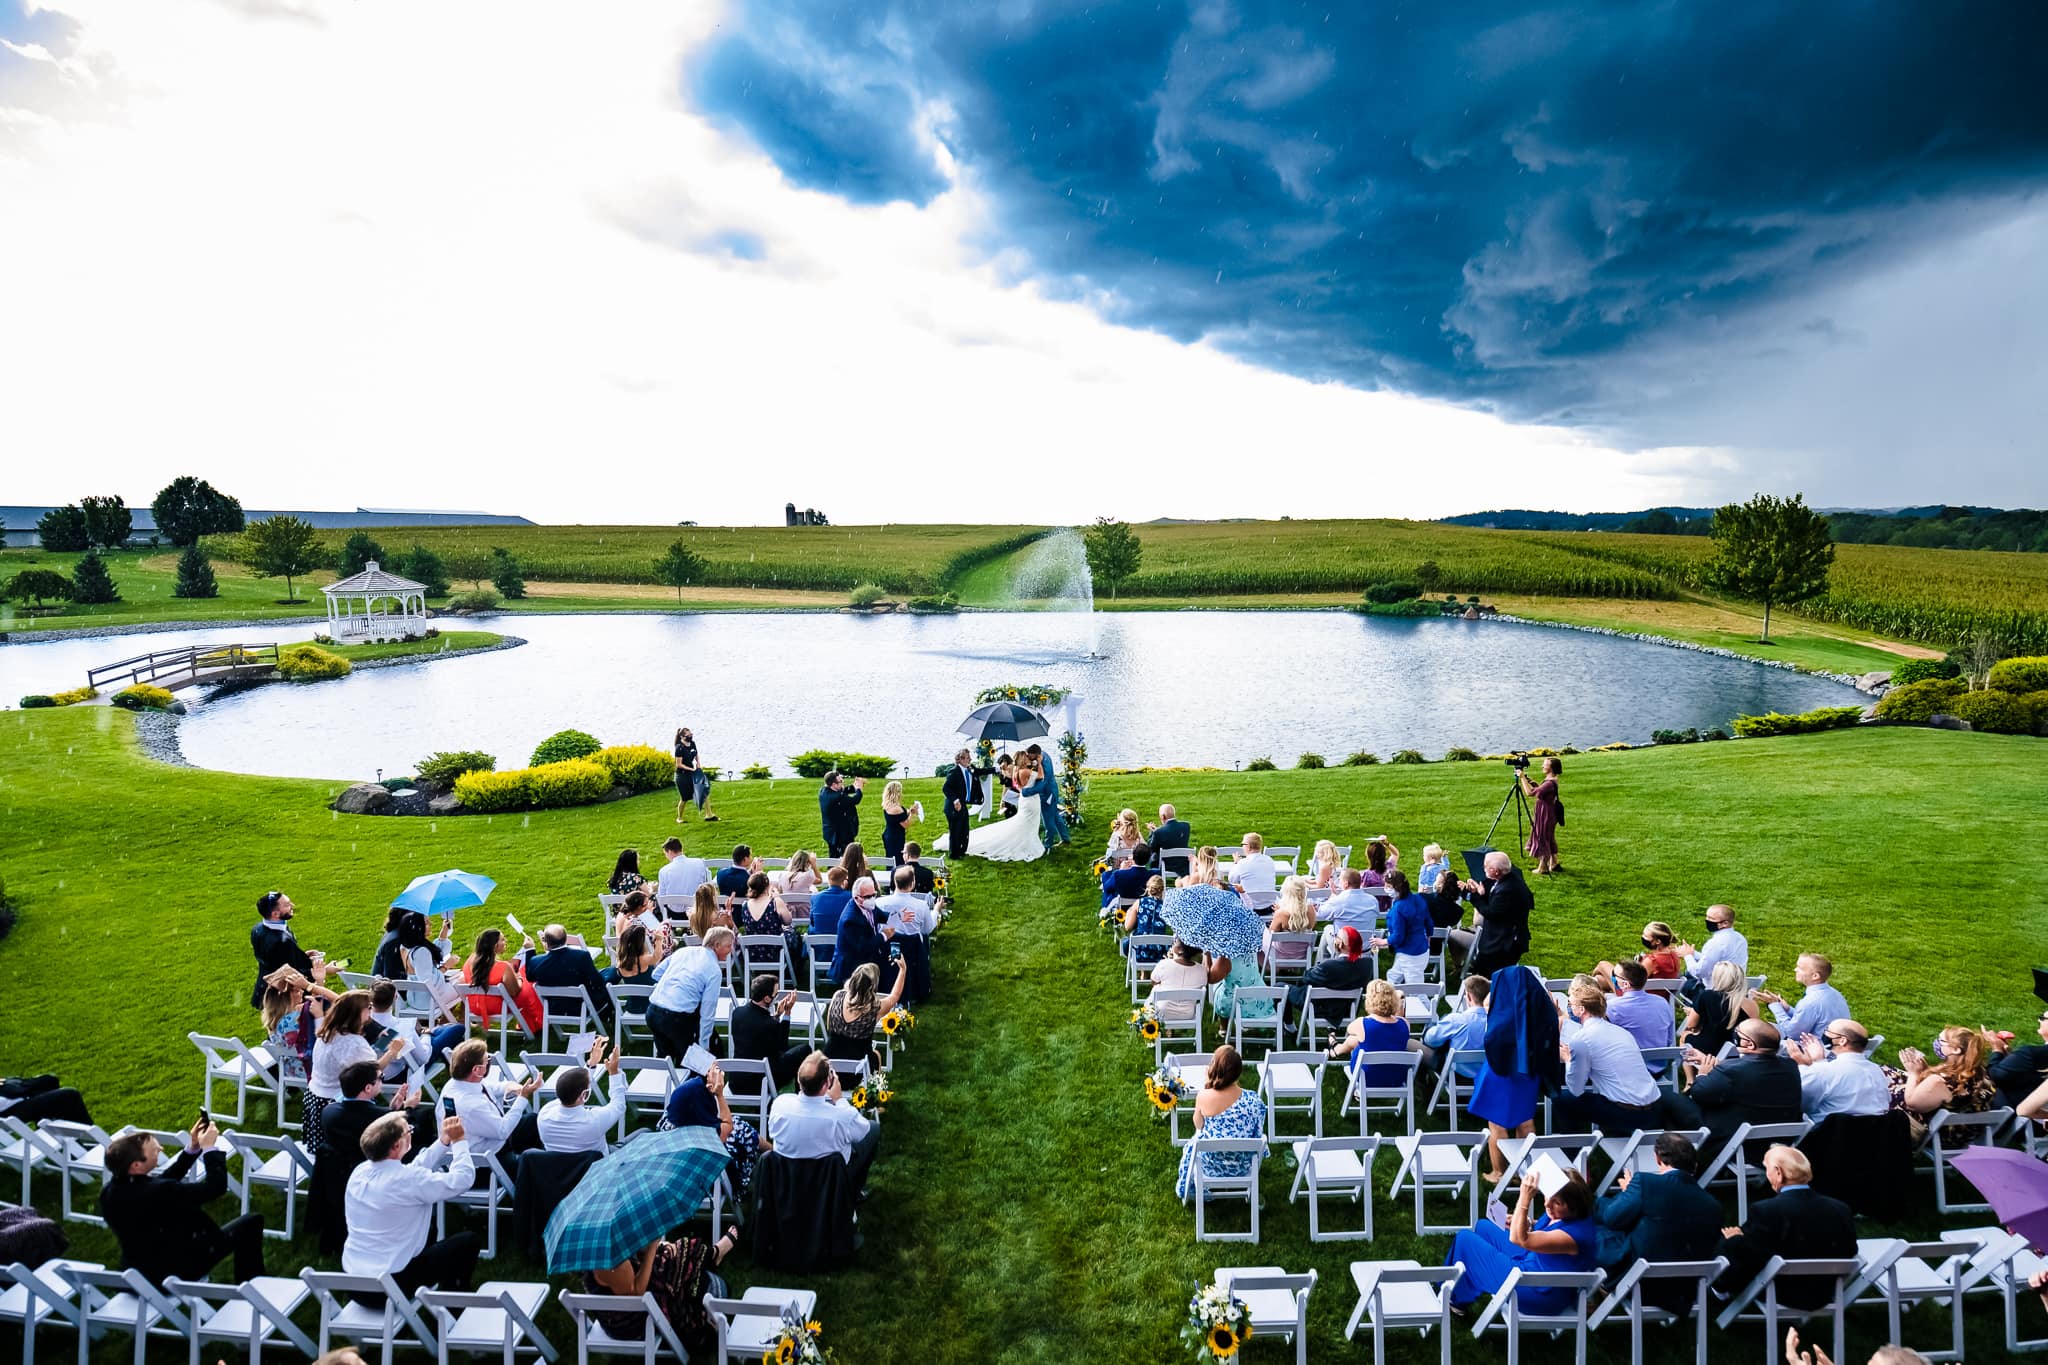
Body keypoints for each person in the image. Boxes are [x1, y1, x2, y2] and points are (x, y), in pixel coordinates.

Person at [101, 1118, 264, 1287]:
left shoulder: (109, 1192)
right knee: (252, 1223)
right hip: (178, 1270)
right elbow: (215, 1187)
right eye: (155, 1151)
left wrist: (193, 1149)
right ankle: (252, 1291)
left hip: (139, 1272)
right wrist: (209, 1149)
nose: (161, 1149)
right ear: (136, 1165)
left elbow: (158, 1183)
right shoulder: (163, 1191)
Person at [342, 1110, 482, 1292]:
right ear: (396, 1146)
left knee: (430, 1229)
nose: (411, 1133)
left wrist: (442, 1142)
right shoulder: (408, 1180)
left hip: (352, 1280)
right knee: (469, 1241)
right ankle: (452, 1304)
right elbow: (463, 1179)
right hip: (391, 1285)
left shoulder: (360, 1172)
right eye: (408, 1131)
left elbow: (410, 1170)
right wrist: (459, 1141)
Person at [1715, 1145, 1856, 1306]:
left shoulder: (1766, 1210)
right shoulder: (1841, 1208)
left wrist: (1736, 1239)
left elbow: (1753, 1256)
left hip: (1780, 1291)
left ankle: (1721, 1288)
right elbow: (1851, 1250)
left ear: (1778, 1173)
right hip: (1824, 1292)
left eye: (1766, 1168)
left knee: (1727, 1241)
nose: (1767, 1175)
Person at [1446, 1166, 1598, 1313]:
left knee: (1465, 1240)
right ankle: (1459, 1295)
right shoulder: (1565, 1215)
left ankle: (1450, 1295)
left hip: (1537, 1290)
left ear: (1575, 1206)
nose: (1547, 1204)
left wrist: (1524, 1198)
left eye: (1557, 1202)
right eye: (1548, 1195)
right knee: (1483, 1227)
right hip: (1532, 1263)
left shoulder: (1572, 1237)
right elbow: (1545, 1230)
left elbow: (1518, 1239)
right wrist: (1527, 1223)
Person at [314, 1062, 427, 1254]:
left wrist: (393, 1109)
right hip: (371, 1168)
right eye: (380, 1079)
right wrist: (408, 1110)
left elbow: (367, 1117)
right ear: (368, 1088)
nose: (382, 1081)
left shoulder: (329, 1111)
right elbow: (401, 1128)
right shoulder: (378, 1118)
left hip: (335, 1172)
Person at [586, 1229, 738, 1361]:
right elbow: (636, 1292)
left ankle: (710, 1256)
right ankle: (712, 1255)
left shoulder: (597, 1249)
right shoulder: (609, 1263)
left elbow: (634, 1267)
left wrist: (658, 1247)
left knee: (672, 1257)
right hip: (633, 1321)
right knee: (678, 1258)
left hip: (621, 1313)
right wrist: (653, 1247)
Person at [1471, 965, 1562, 1181]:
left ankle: (1499, 1172)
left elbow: (1491, 1041)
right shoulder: (1538, 1012)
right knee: (1526, 1120)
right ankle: (1525, 1170)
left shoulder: (1502, 1015)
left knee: (1497, 1124)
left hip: (1500, 1071)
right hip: (1528, 1070)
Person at [1593, 1133, 1722, 1282]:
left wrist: (1626, 1194)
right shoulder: (1714, 1207)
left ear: (1657, 1158)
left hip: (1635, 1279)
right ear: (1695, 1166)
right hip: (1684, 1288)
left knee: (1586, 1229)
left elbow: (1611, 1218)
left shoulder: (1646, 1182)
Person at [1552, 975, 1663, 1135]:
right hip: (1654, 1108)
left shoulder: (1581, 1038)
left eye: (1570, 1003)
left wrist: (1568, 1060)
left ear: (1581, 1009)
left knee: (1563, 1099)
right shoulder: (1621, 1032)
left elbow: (1575, 1089)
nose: (1569, 1006)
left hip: (1628, 1113)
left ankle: (1572, 1153)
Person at [1673, 1019, 1805, 1145]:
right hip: (1780, 1141)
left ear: (1749, 1044)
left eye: (1738, 1032)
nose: (1735, 1034)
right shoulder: (1790, 1066)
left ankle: (1673, 1150)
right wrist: (1712, 1063)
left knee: (1669, 1099)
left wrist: (1702, 1073)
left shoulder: (1732, 1071)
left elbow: (1699, 1093)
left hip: (1740, 1142)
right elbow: (1750, 1075)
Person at [307, 991, 410, 1149]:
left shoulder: (328, 1030)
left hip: (316, 1094)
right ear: (356, 1013)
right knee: (352, 1146)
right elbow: (372, 1071)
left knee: (330, 1149)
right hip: (339, 1101)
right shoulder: (353, 1043)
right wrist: (392, 1052)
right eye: (368, 1007)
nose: (370, 1011)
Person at [768, 1052, 881, 1193]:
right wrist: (839, 1100)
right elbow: (863, 1131)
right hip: (830, 1179)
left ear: (799, 1080)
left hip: (789, 1178)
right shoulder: (842, 1116)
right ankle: (854, 1192)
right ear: (827, 1084)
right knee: (874, 1129)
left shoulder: (780, 1105)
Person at [1173, 1045, 1266, 1203]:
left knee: (1195, 1141)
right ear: (1238, 1073)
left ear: (1215, 1069)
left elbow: (1198, 1125)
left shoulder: (1204, 1096)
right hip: (1242, 1166)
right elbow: (1257, 1130)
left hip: (1210, 1166)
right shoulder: (1253, 1099)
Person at [660, 1067, 767, 1199]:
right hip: (710, 1183)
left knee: (738, 1128)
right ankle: (777, 1154)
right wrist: (720, 1095)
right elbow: (728, 1126)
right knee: (742, 1129)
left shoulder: (667, 1128)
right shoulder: (711, 1138)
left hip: (679, 1184)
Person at [1887, 1027, 2000, 1135]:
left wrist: (1914, 1074)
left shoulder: (1941, 1081)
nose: (1937, 1042)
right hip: (1966, 1134)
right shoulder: (1980, 1073)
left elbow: (1912, 1104)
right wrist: (1926, 1071)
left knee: (1887, 1083)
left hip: (1937, 1134)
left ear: (1956, 1050)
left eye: (1941, 1041)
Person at [646, 927, 735, 1061]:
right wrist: (704, 1044)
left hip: (653, 1011)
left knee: (665, 1059)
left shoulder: (684, 951)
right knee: (692, 1062)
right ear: (716, 945)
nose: (731, 950)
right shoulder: (714, 970)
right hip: (676, 1018)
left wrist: (674, 986)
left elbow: (656, 974)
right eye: (728, 946)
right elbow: (708, 1011)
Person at [537, 1039, 627, 1155]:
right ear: (583, 1095)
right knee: (643, 1133)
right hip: (596, 1169)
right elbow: (618, 1106)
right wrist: (614, 1073)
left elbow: (572, 1091)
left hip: (558, 1169)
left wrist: (591, 1064)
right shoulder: (594, 1121)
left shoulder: (544, 1115)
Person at [1789, 1019, 1892, 1119]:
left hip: (1831, 1133)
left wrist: (1802, 1065)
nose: (1824, 1035)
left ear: (1842, 1041)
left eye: (1828, 1031)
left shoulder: (1823, 1071)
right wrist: (1818, 1063)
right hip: (1876, 1133)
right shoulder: (1877, 1071)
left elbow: (1801, 1105)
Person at [1452, 851, 1533, 979]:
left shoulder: (1507, 889)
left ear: (1495, 871)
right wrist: (1480, 894)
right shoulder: (1509, 880)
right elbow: (1499, 907)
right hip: (1503, 938)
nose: (1483, 868)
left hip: (1503, 943)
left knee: (1487, 977)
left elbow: (1491, 913)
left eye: (1486, 866)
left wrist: (1474, 897)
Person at [368, 978, 465, 1079]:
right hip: (404, 1072)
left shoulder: (362, 1023)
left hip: (376, 1073)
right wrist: (425, 1035)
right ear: (395, 997)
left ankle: (435, 1032)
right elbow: (423, 1058)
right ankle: (459, 1070)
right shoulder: (402, 1026)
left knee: (439, 1031)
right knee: (457, 1028)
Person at [1326, 980, 1417, 1087]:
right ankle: (1336, 1050)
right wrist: (1399, 1004)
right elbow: (1398, 1019)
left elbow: (1349, 1030)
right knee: (1364, 1039)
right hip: (1396, 1078)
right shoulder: (1405, 1024)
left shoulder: (1363, 1023)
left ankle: (1336, 1049)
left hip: (1367, 1077)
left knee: (1356, 1039)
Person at [1285, 925, 1374, 1029]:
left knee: (1280, 987)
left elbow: (1307, 978)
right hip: (1348, 1009)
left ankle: (1290, 1027)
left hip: (1320, 1008)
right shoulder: (1367, 965)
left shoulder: (1329, 966)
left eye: (1336, 936)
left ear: (1340, 944)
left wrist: (1317, 967)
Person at [732, 973, 810, 1090]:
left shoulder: (737, 1012)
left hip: (737, 1079)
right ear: (767, 998)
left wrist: (777, 1015)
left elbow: (758, 1029)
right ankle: (801, 1093)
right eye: (776, 994)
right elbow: (782, 1046)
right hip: (761, 1082)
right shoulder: (769, 1024)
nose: (777, 997)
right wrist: (787, 1012)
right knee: (804, 1050)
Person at [261, 965, 335, 1086]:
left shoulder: (274, 1018)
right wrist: (316, 1015)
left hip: (292, 1071)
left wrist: (319, 982)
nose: (301, 992)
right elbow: (321, 1040)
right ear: (284, 996)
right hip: (311, 1070)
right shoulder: (294, 1019)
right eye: (296, 990)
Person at [525, 923, 612, 1023]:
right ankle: (607, 1012)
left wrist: (530, 951)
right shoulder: (581, 956)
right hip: (582, 1006)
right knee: (610, 976)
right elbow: (597, 981)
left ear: (545, 941)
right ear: (566, 939)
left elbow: (530, 977)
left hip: (555, 1009)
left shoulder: (535, 961)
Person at [874, 865, 936, 1005]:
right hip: (912, 951)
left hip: (887, 949)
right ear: (913, 883)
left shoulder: (880, 903)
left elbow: (877, 928)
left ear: (895, 882)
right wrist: (936, 911)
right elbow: (927, 929)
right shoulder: (921, 906)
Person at [826, 960, 907, 1065]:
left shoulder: (838, 995)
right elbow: (894, 997)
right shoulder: (875, 1008)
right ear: (873, 986)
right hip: (859, 1068)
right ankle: (875, 1081)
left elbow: (828, 1025)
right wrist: (903, 970)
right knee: (876, 1055)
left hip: (829, 1063)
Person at [1755, 954, 1849, 1045]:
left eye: (1800, 968)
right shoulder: (1834, 993)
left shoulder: (1810, 1002)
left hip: (1817, 1051)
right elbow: (1809, 1018)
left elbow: (1792, 1033)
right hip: (1834, 1046)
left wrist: (1774, 1005)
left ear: (1815, 976)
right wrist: (1787, 1009)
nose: (1795, 970)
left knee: (1759, 1033)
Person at [967, 757, 1048, 862]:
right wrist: (1039, 764)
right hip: (1027, 799)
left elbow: (1012, 784)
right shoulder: (1024, 771)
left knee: (1021, 822)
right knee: (1024, 822)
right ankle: (1024, 842)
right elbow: (1041, 777)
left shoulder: (1015, 770)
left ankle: (1023, 840)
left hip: (1022, 798)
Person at [1679, 960, 1759, 1066]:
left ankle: (1690, 1079)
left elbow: (1691, 1024)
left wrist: (1692, 1013)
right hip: (1736, 1051)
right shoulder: (1752, 1005)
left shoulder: (1707, 996)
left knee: (1684, 1036)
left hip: (1710, 1049)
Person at [464, 928, 542, 1036]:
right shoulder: (502, 967)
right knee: (529, 983)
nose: (506, 941)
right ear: (495, 946)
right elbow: (515, 992)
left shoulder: (470, 961)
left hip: (475, 1006)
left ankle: (531, 1023)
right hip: (497, 1006)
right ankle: (536, 1024)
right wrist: (519, 978)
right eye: (502, 939)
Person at [250, 889, 320, 1008]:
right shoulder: (281, 941)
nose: (292, 905)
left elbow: (275, 959)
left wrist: (302, 955)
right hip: (283, 995)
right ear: (275, 914)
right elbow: (292, 973)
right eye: (287, 905)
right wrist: (322, 971)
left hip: (265, 987)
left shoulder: (258, 928)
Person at [1421, 975, 1492, 1085]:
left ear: (1468, 997)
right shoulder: (1497, 1023)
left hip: (1456, 1075)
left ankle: (1427, 1091)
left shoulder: (1456, 1020)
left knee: (1413, 1046)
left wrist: (1433, 1026)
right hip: (1485, 1076)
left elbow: (1430, 1040)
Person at [396, 911, 462, 1018]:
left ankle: (446, 1022)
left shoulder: (405, 947)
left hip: (415, 998)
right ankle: (458, 1021)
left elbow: (432, 955)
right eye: (426, 923)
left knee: (458, 979)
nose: (431, 924)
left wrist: (444, 933)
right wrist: (446, 966)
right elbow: (428, 981)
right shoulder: (421, 951)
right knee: (463, 983)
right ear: (418, 928)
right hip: (427, 1000)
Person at [831, 876, 894, 986]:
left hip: (866, 955)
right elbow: (864, 947)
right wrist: (884, 935)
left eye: (874, 894)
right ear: (857, 898)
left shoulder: (868, 906)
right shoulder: (850, 920)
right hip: (853, 966)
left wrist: (899, 917)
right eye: (868, 896)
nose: (872, 898)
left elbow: (882, 915)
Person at [1602, 960, 1676, 1055]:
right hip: (1661, 1065)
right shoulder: (1662, 1002)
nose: (1613, 978)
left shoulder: (1612, 1007)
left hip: (1627, 1065)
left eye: (1614, 976)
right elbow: (1669, 1040)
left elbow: (1603, 1040)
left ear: (1626, 984)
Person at [1375, 870, 1433, 984]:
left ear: (1398, 887)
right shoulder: (1418, 898)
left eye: (1389, 886)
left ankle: (1427, 1002)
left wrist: (1382, 941)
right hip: (1420, 949)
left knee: (1416, 992)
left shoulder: (1399, 908)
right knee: (1392, 977)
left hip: (1410, 955)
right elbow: (1429, 922)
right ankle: (1387, 998)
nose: (1386, 889)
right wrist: (1428, 938)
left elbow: (1398, 936)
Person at [1986, 1007, 2048, 1109]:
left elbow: (1996, 1076)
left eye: (2042, 1018)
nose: (2038, 1020)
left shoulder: (2030, 1053)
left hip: (2023, 1116)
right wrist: (2011, 1059)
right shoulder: (2029, 1055)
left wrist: (1996, 1050)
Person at [731, 873, 790, 968]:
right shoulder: (775, 902)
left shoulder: (745, 905)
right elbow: (788, 921)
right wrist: (778, 897)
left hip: (753, 954)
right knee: (794, 934)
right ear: (767, 886)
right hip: (776, 952)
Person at [600, 921, 663, 1011]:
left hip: (632, 1007)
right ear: (641, 944)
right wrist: (659, 940)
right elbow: (657, 957)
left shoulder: (621, 963)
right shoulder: (644, 960)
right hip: (651, 1004)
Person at [942, 749, 992, 859]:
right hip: (953, 806)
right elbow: (946, 788)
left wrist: (996, 769)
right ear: (960, 760)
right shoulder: (954, 772)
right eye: (968, 758)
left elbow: (980, 771)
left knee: (964, 829)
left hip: (963, 804)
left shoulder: (970, 769)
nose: (970, 759)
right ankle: (954, 854)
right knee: (955, 830)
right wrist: (956, 800)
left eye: (969, 757)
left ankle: (962, 851)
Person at [1262, 876, 1317, 972]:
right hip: (1302, 955)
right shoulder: (1310, 909)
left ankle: (1266, 967)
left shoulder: (1281, 913)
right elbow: (1311, 927)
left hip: (1279, 955)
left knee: (1259, 933)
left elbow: (1272, 932)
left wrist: (1277, 914)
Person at [1675, 904, 1747, 978]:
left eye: (1711, 918)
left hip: (1715, 987)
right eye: (1706, 917)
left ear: (1725, 923)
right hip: (1736, 984)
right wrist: (1693, 953)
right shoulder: (1740, 938)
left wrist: (1687, 956)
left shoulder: (1716, 943)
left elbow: (1699, 972)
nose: (1707, 920)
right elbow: (1716, 959)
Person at [1519, 756, 1563, 874]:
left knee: (1542, 838)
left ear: (1551, 768)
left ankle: (1542, 867)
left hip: (1546, 814)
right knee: (1549, 837)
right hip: (1548, 812)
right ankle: (1553, 863)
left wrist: (1522, 777)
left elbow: (1530, 793)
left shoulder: (1550, 782)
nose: (1542, 766)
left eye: (1545, 764)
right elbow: (1541, 791)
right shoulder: (1551, 779)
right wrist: (1532, 783)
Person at [0, 1073, 94, 1127]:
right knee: (70, 1095)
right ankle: (90, 1137)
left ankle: (49, 1129)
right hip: (10, 1112)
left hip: (13, 1102)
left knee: (50, 1081)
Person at [1148, 941, 1209, 1021]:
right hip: (1188, 1013)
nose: (1173, 943)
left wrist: (1169, 961)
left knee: (1156, 987)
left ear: (1180, 950)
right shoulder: (1201, 970)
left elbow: (1153, 981)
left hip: (1162, 1011)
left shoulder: (1164, 964)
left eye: (1176, 942)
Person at [809, 867, 853, 972]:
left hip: (820, 943)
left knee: (811, 929)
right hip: (843, 942)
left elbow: (812, 920)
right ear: (844, 882)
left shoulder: (816, 897)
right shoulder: (850, 897)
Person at [1121, 874, 1171, 963]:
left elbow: (1127, 927)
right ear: (1162, 890)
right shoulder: (1166, 907)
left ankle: (1142, 973)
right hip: (1160, 951)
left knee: (1126, 943)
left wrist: (1129, 912)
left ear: (1148, 888)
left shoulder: (1140, 903)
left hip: (1140, 949)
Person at [1316, 868, 1381, 934]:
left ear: (1346, 884)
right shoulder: (1373, 900)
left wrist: (1331, 899)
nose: (1338, 882)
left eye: (1339, 880)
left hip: (1344, 943)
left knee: (1328, 928)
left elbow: (1321, 913)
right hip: (1367, 942)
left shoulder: (1338, 901)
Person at [673, 726, 716, 824]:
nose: (690, 736)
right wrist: (692, 769)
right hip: (682, 776)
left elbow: (696, 756)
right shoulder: (679, 748)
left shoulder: (692, 744)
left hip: (692, 773)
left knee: (704, 791)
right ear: (683, 737)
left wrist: (698, 766)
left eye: (691, 734)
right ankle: (679, 818)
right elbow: (678, 764)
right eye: (688, 735)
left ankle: (709, 815)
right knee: (685, 798)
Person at [818, 771, 865, 857]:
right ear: (833, 784)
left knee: (833, 856)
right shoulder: (838, 797)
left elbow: (842, 791)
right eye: (840, 782)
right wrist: (859, 789)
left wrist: (853, 787)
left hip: (830, 832)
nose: (842, 783)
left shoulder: (823, 791)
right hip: (841, 834)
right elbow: (855, 800)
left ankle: (832, 869)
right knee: (847, 856)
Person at [657, 837, 711, 905]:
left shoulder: (664, 871)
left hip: (676, 912)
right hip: (698, 908)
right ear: (681, 849)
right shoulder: (699, 863)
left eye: (665, 854)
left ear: (670, 852)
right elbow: (706, 885)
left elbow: (662, 897)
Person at [1145, 804, 1192, 876]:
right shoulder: (1186, 826)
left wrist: (1152, 833)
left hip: (1166, 865)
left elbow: (1151, 848)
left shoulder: (1158, 833)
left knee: (1153, 856)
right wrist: (1158, 831)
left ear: (1163, 816)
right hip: (1183, 863)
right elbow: (1172, 834)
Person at [875, 782, 914, 861]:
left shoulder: (888, 805)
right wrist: (912, 814)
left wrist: (909, 811)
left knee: (890, 857)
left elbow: (900, 816)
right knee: (897, 859)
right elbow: (906, 824)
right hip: (895, 837)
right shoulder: (896, 808)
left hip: (889, 835)